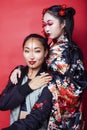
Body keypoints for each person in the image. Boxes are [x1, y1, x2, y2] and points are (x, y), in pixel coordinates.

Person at [9, 4, 87, 130]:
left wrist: (47, 81)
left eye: (50, 24)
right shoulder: (51, 46)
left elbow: (78, 85)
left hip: (61, 114)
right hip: (45, 105)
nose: (46, 29)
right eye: (44, 24)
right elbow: (39, 65)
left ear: (63, 24)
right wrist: (19, 69)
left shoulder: (72, 51)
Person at [0, 33, 56, 130]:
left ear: (45, 52)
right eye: (27, 51)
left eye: (37, 51)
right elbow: (2, 103)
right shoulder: (18, 74)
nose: (31, 56)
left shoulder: (48, 80)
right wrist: (28, 87)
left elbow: (37, 118)